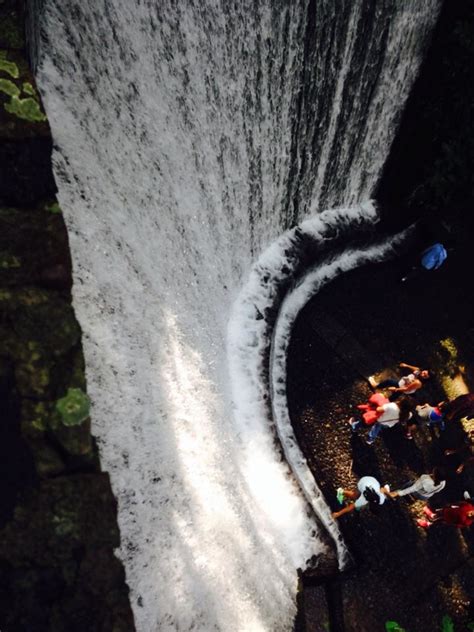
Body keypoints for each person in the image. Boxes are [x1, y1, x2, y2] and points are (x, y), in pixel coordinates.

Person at [349, 396, 416, 444]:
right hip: (387, 424)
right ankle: (370, 440)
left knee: (363, 423)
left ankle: (354, 427)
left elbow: (379, 409)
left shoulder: (392, 406)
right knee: (376, 429)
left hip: (378, 419)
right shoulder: (409, 415)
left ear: (402, 401)